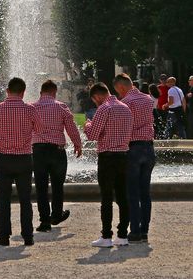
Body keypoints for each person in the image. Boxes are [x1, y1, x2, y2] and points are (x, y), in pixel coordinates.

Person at [0, 77, 42, 247]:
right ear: (23, 92)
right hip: (24, 158)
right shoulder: (30, 109)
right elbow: (39, 129)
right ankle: (27, 235)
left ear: (7, 91)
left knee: (4, 199)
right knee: (25, 199)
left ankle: (4, 235)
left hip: (4, 158)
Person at [84, 82, 132, 248]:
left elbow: (93, 135)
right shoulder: (125, 107)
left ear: (97, 96)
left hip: (107, 156)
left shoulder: (104, 108)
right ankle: (123, 234)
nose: (95, 103)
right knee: (122, 196)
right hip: (123, 155)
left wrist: (87, 125)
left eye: (94, 100)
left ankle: (106, 236)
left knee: (106, 197)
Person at [31, 79, 83, 233]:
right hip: (57, 150)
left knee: (41, 187)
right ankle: (56, 214)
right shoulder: (61, 106)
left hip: (38, 151)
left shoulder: (32, 107)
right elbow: (71, 128)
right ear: (54, 92)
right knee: (57, 186)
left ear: (41, 92)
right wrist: (77, 144)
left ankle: (44, 221)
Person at [114, 74, 155, 244]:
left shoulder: (125, 103)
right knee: (145, 193)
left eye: (118, 91)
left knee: (132, 193)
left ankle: (135, 231)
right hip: (149, 147)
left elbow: (123, 127)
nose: (118, 95)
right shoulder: (148, 99)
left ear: (121, 87)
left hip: (133, 148)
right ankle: (144, 231)